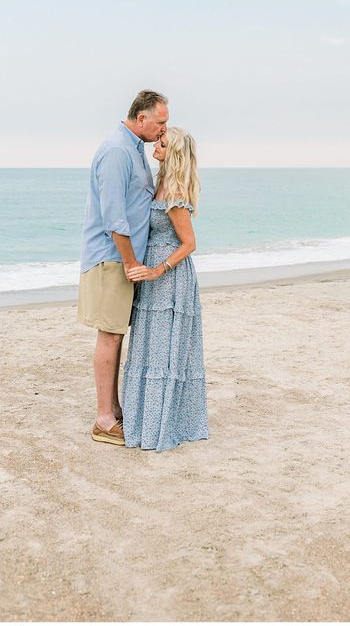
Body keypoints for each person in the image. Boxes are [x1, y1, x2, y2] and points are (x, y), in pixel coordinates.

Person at [78, 90, 169, 445]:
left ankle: (113, 410)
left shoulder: (134, 149)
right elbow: (114, 216)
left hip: (123, 258)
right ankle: (104, 419)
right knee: (110, 333)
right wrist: (131, 261)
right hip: (112, 257)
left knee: (116, 333)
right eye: (160, 122)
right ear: (141, 118)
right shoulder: (118, 150)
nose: (164, 129)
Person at [122, 127, 208, 451]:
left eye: (162, 142)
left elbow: (190, 243)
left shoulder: (173, 193)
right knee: (149, 349)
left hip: (170, 280)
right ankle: (144, 421)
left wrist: (159, 269)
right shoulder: (159, 183)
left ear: (173, 153)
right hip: (152, 279)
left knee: (165, 353)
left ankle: (161, 426)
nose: (155, 144)